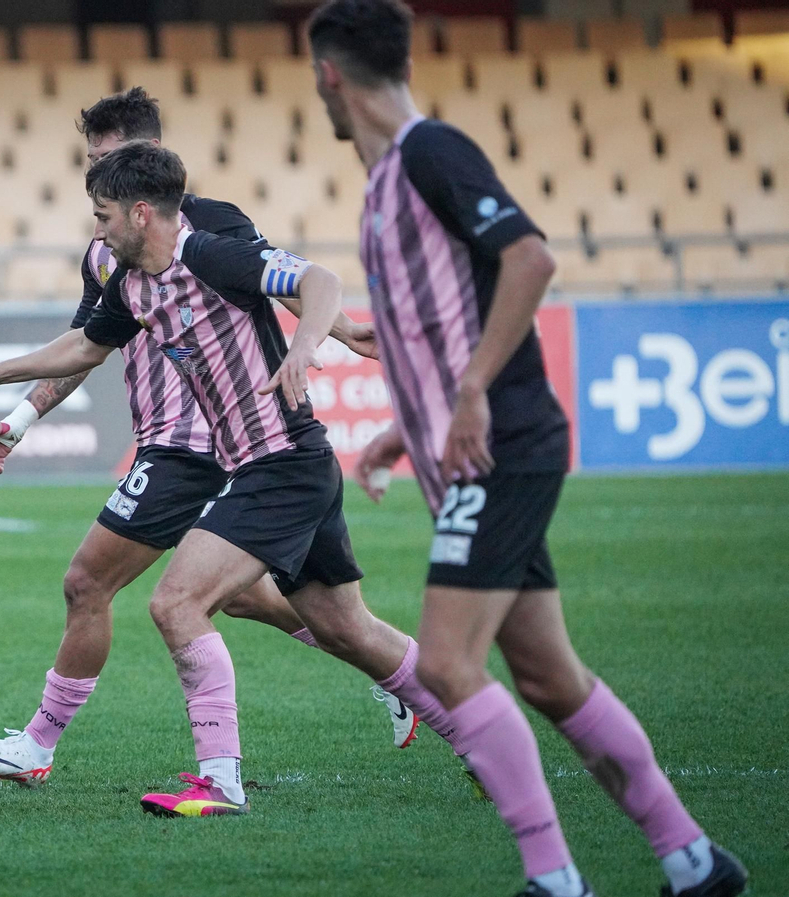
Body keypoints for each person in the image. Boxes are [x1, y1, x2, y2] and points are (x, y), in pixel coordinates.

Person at [307, 2, 748, 896]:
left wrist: (470, 394)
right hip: (475, 445)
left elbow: (530, 260)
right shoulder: (390, 180)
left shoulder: (430, 153)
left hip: (501, 444)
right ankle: (693, 859)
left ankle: (554, 878)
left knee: (445, 664)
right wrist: (410, 424)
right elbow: (447, 318)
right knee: (546, 674)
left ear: (329, 76)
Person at [0, 141, 455, 818]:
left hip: (282, 465)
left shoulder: (210, 255)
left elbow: (320, 283)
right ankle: (485, 738)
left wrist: (304, 350)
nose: (97, 231)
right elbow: (83, 347)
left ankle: (220, 781)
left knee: (176, 602)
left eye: (103, 215)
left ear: (142, 212)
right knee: (346, 630)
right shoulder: (133, 284)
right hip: (282, 466)